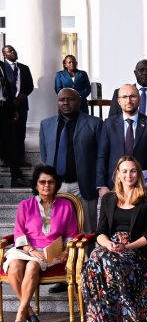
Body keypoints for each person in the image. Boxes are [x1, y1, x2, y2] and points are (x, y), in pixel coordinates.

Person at [75, 156, 147, 322]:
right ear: (118, 174)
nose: (128, 175)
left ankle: (112, 320)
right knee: (94, 263)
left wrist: (126, 246)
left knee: (101, 261)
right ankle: (103, 320)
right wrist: (109, 244)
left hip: (134, 250)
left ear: (138, 174)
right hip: (109, 245)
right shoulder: (108, 198)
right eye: (124, 171)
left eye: (133, 171)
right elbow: (100, 231)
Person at [5, 165, 79, 322]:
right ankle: (28, 311)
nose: (46, 185)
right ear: (36, 185)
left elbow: (72, 234)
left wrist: (66, 252)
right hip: (26, 248)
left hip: (49, 252)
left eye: (51, 182)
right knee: (14, 266)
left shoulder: (66, 206)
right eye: (42, 182)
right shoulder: (25, 205)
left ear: (56, 185)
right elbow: (19, 232)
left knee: (32, 266)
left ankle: (20, 315)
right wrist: (30, 249)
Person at [39, 88, 102, 230]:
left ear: (79, 102)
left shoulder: (95, 123)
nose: (66, 103)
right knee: (55, 229)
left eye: (71, 99)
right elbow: (44, 155)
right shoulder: (46, 124)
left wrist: (99, 183)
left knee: (88, 229)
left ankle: (88, 253)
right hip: (55, 186)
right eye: (62, 100)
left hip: (83, 185)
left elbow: (101, 156)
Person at [96, 84, 147, 195]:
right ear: (118, 101)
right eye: (124, 97)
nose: (129, 100)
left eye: (133, 96)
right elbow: (102, 156)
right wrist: (101, 185)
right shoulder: (109, 124)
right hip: (115, 185)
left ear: (139, 99)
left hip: (145, 185)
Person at [1, 45, 33, 186]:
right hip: (6, 107)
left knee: (18, 135)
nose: (13, 52)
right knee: (7, 137)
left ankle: (18, 168)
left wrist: (18, 101)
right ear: (4, 55)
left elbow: (28, 86)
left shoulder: (23, 68)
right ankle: (6, 160)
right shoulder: (3, 68)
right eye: (9, 51)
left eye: (14, 50)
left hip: (15, 106)